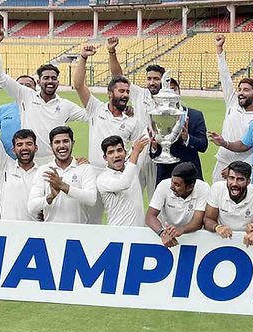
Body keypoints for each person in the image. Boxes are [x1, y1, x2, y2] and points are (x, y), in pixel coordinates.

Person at [0, 28, 87, 164]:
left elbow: (91, 116)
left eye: (53, 78)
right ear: (39, 81)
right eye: (46, 78)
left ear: (58, 82)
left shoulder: (66, 105)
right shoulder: (26, 95)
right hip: (28, 160)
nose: (50, 81)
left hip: (53, 162)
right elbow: (0, 77)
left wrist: (123, 110)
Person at [72, 42, 144, 224]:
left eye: (127, 91)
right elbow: (79, 85)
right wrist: (83, 57)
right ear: (110, 93)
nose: (126, 94)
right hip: (94, 172)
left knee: (122, 220)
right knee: (91, 221)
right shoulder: (96, 108)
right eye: (121, 91)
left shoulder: (131, 120)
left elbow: (137, 147)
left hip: (118, 175)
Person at [0, 88, 40, 221]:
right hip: (7, 232)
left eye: (28, 144)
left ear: (36, 148)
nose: (24, 148)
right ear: (13, 149)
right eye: (20, 145)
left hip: (35, 234)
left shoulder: (43, 172)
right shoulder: (5, 165)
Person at [107, 36, 158, 198]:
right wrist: (112, 51)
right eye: (149, 79)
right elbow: (118, 76)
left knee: (155, 198)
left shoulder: (168, 101)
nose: (152, 82)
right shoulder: (139, 94)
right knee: (130, 194)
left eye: (156, 79)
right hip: (138, 151)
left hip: (158, 154)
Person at [212, 33, 253, 182]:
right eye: (240, 89)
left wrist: (236, 169)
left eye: (246, 90)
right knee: (215, 199)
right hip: (222, 161)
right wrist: (219, 50)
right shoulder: (233, 103)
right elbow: (225, 77)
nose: (241, 93)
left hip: (243, 168)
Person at [27, 126, 98, 223]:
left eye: (65, 141)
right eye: (57, 142)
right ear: (51, 145)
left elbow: (91, 199)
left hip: (79, 233)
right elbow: (32, 207)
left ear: (72, 143)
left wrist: (63, 186)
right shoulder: (44, 170)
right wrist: (51, 196)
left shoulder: (84, 168)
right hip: (51, 232)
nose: (62, 146)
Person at [204, 161, 253, 247]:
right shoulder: (217, 188)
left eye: (240, 179)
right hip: (221, 240)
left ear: (248, 182)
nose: (234, 183)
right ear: (227, 178)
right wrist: (217, 227)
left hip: (248, 243)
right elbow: (208, 219)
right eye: (231, 178)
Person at [150, 77, 208, 184]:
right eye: (168, 90)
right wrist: (153, 147)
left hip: (190, 176)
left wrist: (187, 138)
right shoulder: (156, 115)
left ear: (179, 91)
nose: (172, 94)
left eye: (174, 89)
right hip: (166, 177)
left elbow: (203, 146)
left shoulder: (195, 115)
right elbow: (154, 154)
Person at [146, 162, 210, 247]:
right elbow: (150, 216)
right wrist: (162, 233)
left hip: (193, 238)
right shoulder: (164, 185)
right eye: (172, 181)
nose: (171, 187)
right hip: (165, 232)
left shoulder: (203, 188)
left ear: (190, 187)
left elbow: (197, 222)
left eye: (177, 185)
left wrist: (180, 230)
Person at [97, 135, 150, 226]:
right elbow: (124, 183)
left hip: (140, 233)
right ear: (105, 158)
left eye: (119, 150)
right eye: (111, 152)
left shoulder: (131, 167)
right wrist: (135, 152)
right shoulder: (103, 179)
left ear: (125, 153)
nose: (116, 155)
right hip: (118, 234)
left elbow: (147, 132)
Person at [0, 75, 37, 158]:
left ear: (35, 89)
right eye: (19, 85)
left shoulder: (41, 110)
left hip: (33, 161)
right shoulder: (3, 109)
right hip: (6, 161)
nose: (23, 88)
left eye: (28, 86)